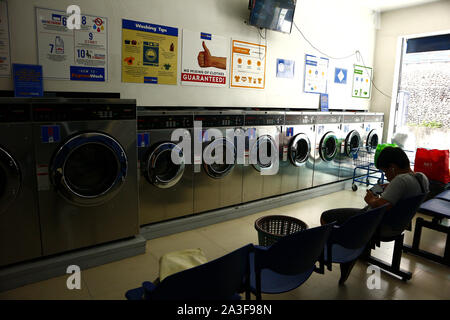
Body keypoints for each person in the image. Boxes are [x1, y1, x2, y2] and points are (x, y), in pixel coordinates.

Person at [320, 146, 429, 225]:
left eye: (385, 172)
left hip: (376, 223)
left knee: (326, 216)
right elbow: (402, 192)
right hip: (399, 223)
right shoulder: (421, 177)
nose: (386, 176)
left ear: (392, 168)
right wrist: (390, 187)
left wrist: (371, 200)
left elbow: (380, 207)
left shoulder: (400, 180)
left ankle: (340, 247)